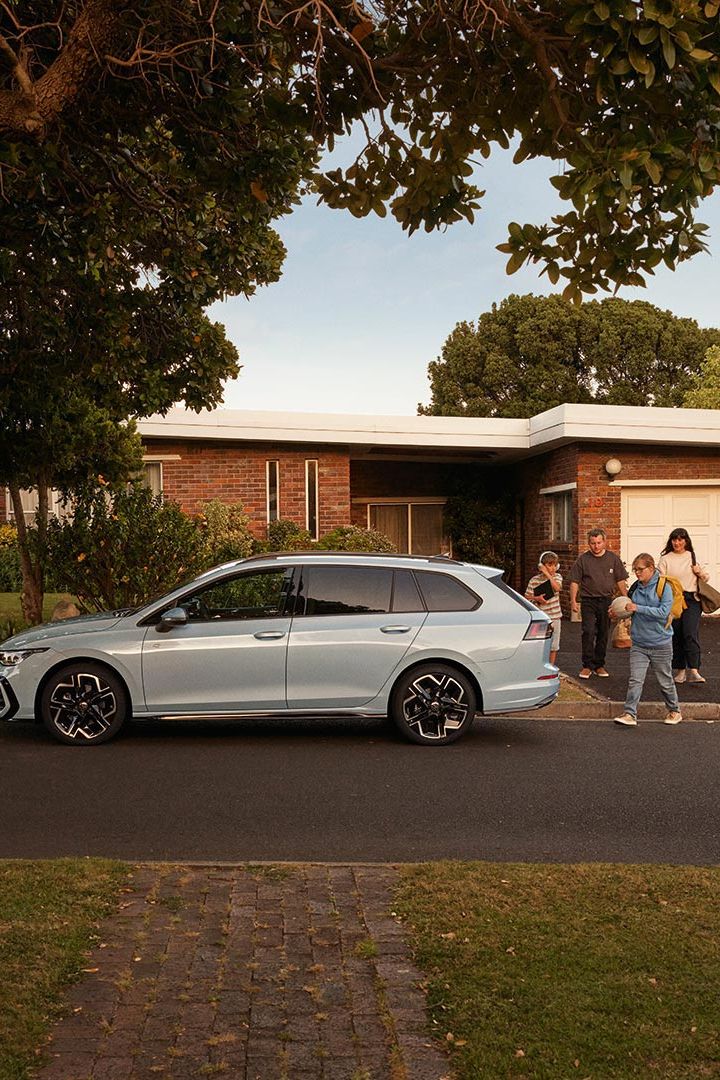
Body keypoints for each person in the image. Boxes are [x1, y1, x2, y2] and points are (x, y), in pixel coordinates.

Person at [612, 553, 682, 727]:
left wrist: (638, 608)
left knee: (665, 681)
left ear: (651, 568)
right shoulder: (636, 587)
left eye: (640, 569)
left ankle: (674, 710)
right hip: (639, 643)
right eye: (635, 569)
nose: (637, 573)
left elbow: (663, 613)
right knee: (635, 680)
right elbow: (628, 607)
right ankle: (630, 713)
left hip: (660, 643)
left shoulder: (663, 586)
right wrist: (618, 611)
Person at [569, 528, 629, 679]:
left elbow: (620, 580)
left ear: (604, 542)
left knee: (603, 633)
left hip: (606, 601)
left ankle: (599, 665)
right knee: (588, 632)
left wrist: (626, 598)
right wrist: (573, 601)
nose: (596, 546)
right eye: (593, 543)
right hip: (588, 601)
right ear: (589, 543)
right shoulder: (583, 560)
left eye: (599, 543)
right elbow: (574, 582)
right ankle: (587, 666)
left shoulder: (613, 559)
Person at [657, 527, 709, 685]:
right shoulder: (666, 559)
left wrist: (699, 572)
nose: (677, 543)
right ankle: (680, 671)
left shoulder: (691, 556)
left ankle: (694, 670)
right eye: (674, 539)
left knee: (690, 632)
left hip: (692, 599)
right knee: (676, 634)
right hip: (673, 599)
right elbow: (660, 580)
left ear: (686, 541)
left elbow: (706, 578)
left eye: (680, 539)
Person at [525, 550, 563, 665]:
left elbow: (557, 588)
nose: (552, 568)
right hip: (541, 617)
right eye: (549, 565)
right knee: (539, 644)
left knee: (554, 645)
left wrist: (547, 575)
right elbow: (526, 597)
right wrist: (537, 599)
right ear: (542, 566)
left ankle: (550, 666)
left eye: (554, 565)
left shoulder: (557, 577)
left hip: (555, 617)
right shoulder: (534, 580)